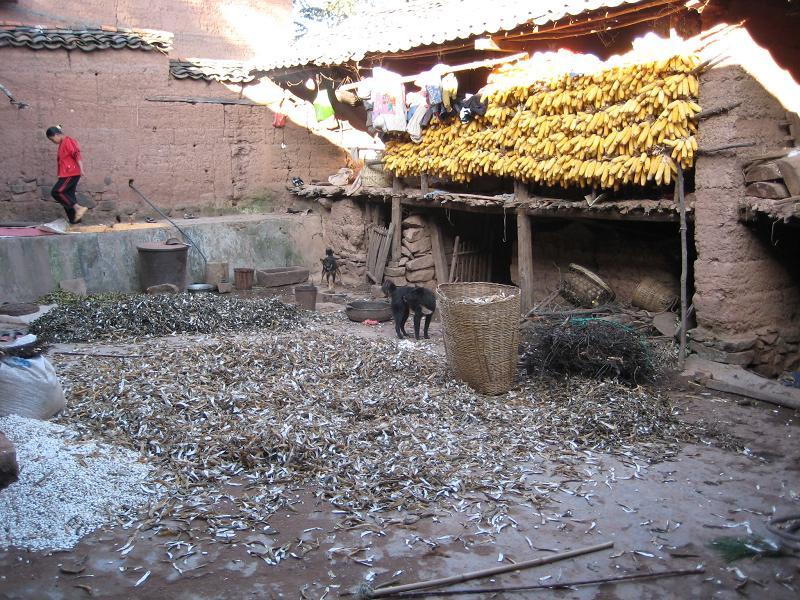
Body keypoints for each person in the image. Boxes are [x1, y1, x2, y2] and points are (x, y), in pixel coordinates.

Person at [46, 126, 89, 224]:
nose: (53, 142)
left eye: (53, 139)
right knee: (68, 197)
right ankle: (75, 222)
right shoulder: (62, 144)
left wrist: (81, 168)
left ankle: (78, 208)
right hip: (66, 174)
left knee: (57, 192)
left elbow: (76, 154)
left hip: (71, 173)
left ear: (57, 134)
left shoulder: (68, 141)